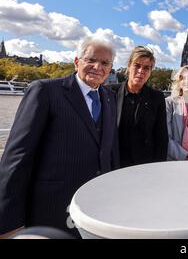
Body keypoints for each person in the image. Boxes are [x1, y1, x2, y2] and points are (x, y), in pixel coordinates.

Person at [0, 37, 119, 238]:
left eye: (105, 63)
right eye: (91, 60)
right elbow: (17, 157)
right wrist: (8, 222)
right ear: (77, 61)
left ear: (111, 68)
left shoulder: (108, 97)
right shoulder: (45, 91)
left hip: (95, 207)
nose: (97, 67)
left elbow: (109, 149)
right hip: (51, 208)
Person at [109, 46, 168, 167]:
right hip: (114, 164)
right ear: (129, 65)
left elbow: (161, 137)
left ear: (151, 71)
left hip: (144, 165)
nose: (141, 71)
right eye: (137, 65)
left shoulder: (157, 97)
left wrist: (159, 168)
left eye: (147, 68)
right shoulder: (109, 92)